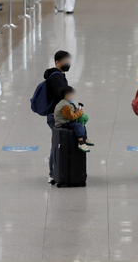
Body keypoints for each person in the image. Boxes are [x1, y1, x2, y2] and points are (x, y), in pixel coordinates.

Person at [45, 50, 71, 184]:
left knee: (57, 142)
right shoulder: (56, 77)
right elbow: (61, 95)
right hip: (55, 115)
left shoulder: (59, 75)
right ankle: (52, 173)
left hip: (58, 113)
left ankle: (55, 171)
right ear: (57, 62)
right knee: (56, 143)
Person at [54, 86, 93, 152]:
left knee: (82, 125)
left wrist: (76, 111)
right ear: (67, 95)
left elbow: (69, 114)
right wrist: (80, 112)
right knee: (77, 125)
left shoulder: (67, 103)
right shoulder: (65, 106)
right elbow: (71, 117)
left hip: (65, 121)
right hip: (62, 123)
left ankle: (84, 138)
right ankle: (81, 142)